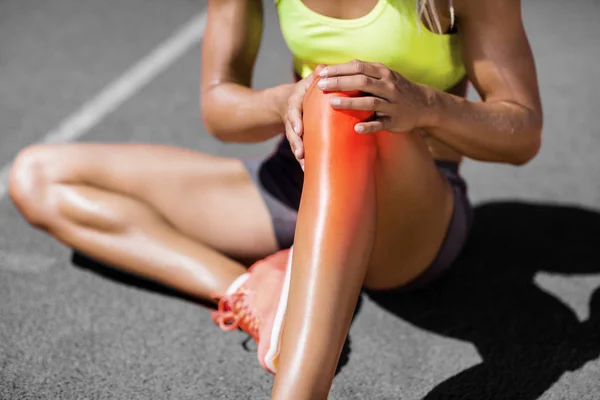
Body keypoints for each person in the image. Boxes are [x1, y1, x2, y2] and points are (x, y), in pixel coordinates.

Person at [8, 0, 542, 398]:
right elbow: (220, 109)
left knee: (340, 100)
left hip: (410, 217)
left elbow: (523, 131)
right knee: (37, 177)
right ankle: (251, 290)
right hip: (296, 181)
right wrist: (288, 99)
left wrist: (423, 104)